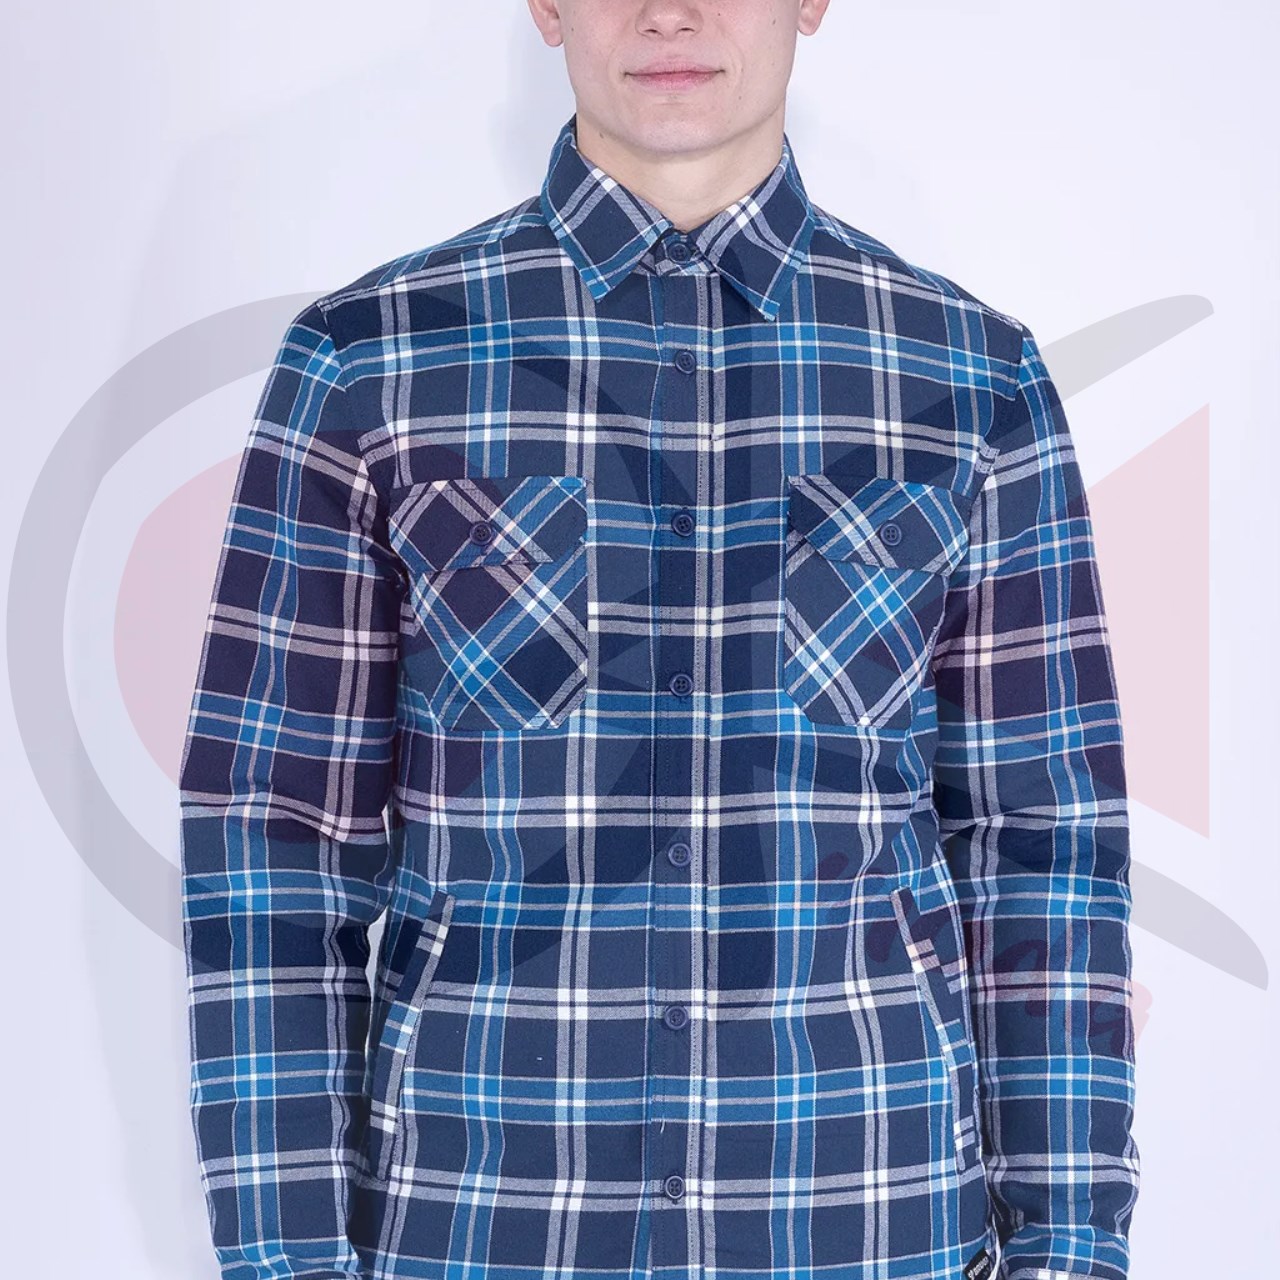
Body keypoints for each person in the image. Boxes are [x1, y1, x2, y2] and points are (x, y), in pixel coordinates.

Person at [178, 2, 1141, 1278]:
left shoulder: (970, 379)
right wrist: (285, 1258)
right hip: (482, 1224)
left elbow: (1043, 847)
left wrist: (1069, 1246)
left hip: (869, 1217)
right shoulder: (370, 364)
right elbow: (271, 840)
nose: (669, 10)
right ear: (544, 5)